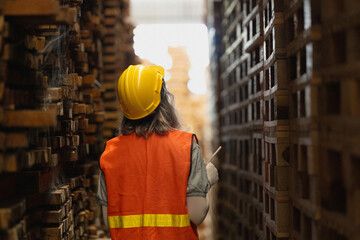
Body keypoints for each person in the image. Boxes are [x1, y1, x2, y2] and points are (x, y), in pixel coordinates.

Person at [97, 65, 219, 239]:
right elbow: (197, 215)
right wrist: (205, 181)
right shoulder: (186, 146)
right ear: (163, 99)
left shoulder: (110, 153)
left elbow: (107, 220)